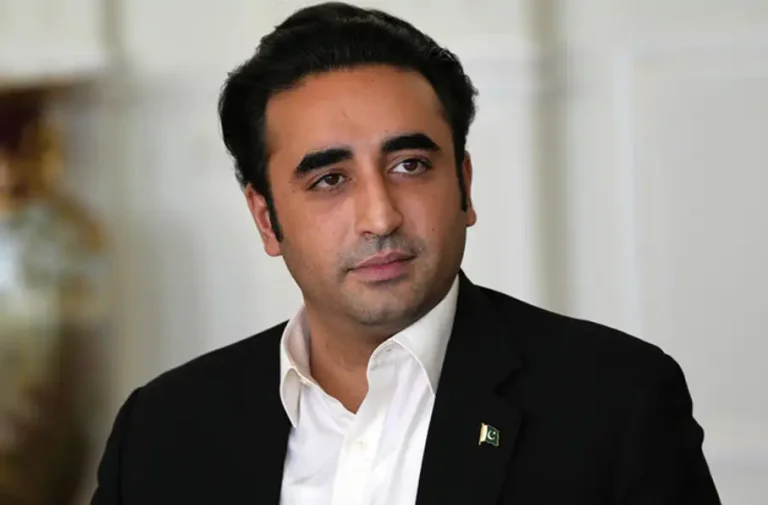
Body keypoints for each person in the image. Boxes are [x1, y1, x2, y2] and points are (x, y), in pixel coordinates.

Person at [90, 2, 721, 504]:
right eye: (329, 180)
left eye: (410, 165)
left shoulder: (616, 402)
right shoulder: (163, 430)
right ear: (267, 219)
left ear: (464, 186)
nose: (381, 216)